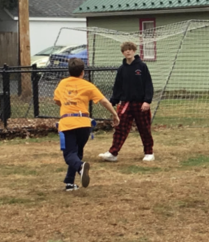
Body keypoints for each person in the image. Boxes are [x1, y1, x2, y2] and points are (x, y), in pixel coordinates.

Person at [55, 58, 120, 191]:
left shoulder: (62, 84)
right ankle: (69, 183)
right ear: (83, 72)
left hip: (68, 123)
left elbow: (57, 101)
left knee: (69, 155)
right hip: (85, 124)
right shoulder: (88, 85)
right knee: (77, 153)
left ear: (69, 71)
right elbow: (104, 101)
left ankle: (80, 167)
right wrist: (115, 114)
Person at [98, 42, 155, 162]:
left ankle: (149, 152)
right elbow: (117, 87)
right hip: (126, 104)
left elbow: (148, 85)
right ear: (123, 53)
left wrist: (147, 101)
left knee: (144, 128)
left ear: (134, 51)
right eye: (125, 50)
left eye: (130, 49)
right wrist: (113, 101)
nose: (128, 52)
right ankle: (113, 153)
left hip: (141, 104)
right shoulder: (121, 69)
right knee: (120, 128)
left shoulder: (142, 67)